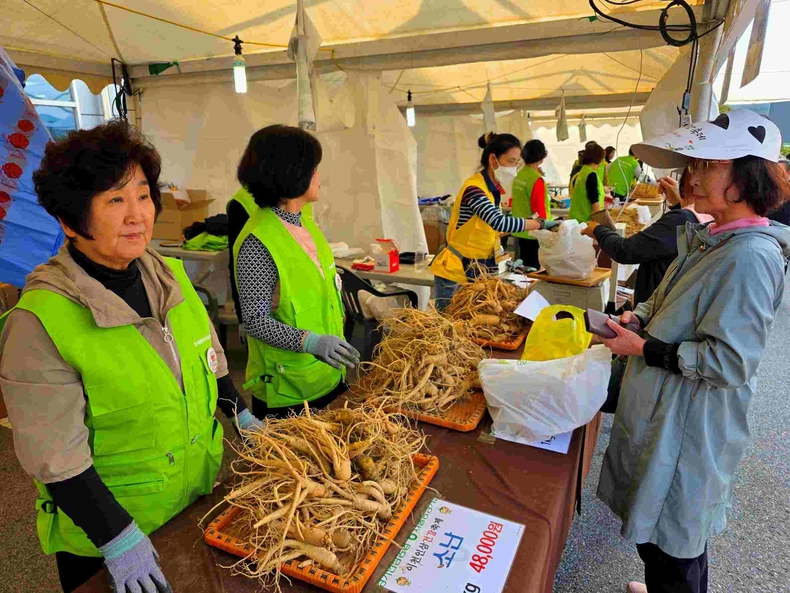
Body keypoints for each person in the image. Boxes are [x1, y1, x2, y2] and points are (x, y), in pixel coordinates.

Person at [0, 121, 262, 593]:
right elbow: (55, 456)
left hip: (194, 501)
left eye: (143, 196)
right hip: (109, 540)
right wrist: (118, 540)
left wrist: (242, 415)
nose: (138, 215)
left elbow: (212, 362)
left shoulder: (174, 279)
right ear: (69, 220)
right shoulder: (40, 322)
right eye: (115, 201)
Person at [596, 109, 790, 593]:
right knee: (658, 531)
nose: (692, 176)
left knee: (676, 540)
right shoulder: (708, 237)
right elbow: (662, 295)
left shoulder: (749, 255)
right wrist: (638, 316)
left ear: (748, 175)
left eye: (709, 165)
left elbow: (730, 362)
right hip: (667, 409)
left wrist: (644, 347)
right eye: (694, 164)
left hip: (690, 420)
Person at [234, 125, 359, 420]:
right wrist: (311, 342)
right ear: (293, 172)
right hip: (288, 392)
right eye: (314, 168)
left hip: (326, 376)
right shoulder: (258, 241)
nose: (319, 176)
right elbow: (253, 321)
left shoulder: (304, 223)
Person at [430, 132, 556, 309]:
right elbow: (498, 222)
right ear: (493, 159)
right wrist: (539, 224)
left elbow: (492, 228)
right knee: (449, 328)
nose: (514, 168)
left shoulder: (492, 191)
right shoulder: (474, 189)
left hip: (477, 271)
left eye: (516, 163)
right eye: (511, 162)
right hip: (456, 273)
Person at [581, 169, 711, 306]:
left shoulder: (680, 219)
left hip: (659, 308)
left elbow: (625, 251)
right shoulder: (706, 218)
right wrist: (679, 204)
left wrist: (597, 230)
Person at [511, 139, 552, 269]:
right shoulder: (536, 180)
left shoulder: (519, 175)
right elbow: (538, 212)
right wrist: (547, 226)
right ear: (542, 157)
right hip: (533, 231)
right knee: (533, 270)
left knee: (522, 267)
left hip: (519, 228)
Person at [569, 143, 606, 222]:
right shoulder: (591, 174)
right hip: (585, 218)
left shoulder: (583, 170)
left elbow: (585, 191)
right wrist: (601, 220)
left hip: (577, 216)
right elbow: (594, 199)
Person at [767, 159, 790, 225]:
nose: (775, 174)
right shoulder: (767, 190)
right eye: (773, 170)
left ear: (788, 173)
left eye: (778, 171)